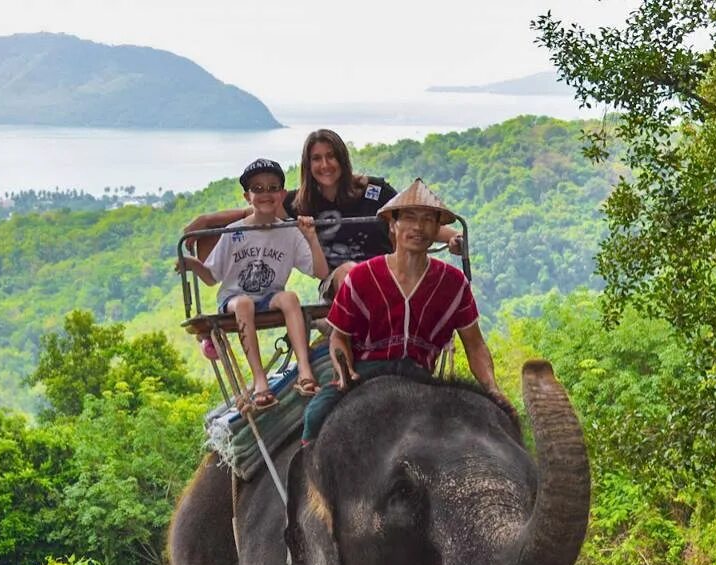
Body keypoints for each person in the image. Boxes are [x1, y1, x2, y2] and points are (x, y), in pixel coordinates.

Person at [301, 178, 506, 441]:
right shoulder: (362, 277)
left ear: (436, 229)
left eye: (428, 219)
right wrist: (345, 373)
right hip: (365, 373)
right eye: (409, 218)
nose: (418, 227)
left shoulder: (453, 283)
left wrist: (492, 389)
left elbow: (475, 345)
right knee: (315, 415)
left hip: (420, 377)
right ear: (392, 225)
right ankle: (313, 482)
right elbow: (339, 336)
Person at [183, 129, 463, 301]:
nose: (325, 164)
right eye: (316, 158)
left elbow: (413, 222)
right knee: (348, 272)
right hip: (337, 284)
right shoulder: (299, 202)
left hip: (390, 274)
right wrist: (207, 221)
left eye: (331, 156)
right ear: (308, 164)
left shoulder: (374, 191)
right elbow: (256, 210)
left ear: (342, 158)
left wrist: (453, 238)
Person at [178, 158, 328, 411]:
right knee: (244, 303)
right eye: (258, 189)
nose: (266, 194)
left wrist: (311, 238)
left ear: (282, 194)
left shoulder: (289, 231)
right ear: (247, 196)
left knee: (289, 297)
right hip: (235, 299)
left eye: (272, 188)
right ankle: (260, 380)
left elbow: (321, 271)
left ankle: (305, 370)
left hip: (270, 296)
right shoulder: (233, 232)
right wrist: (192, 264)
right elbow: (212, 277)